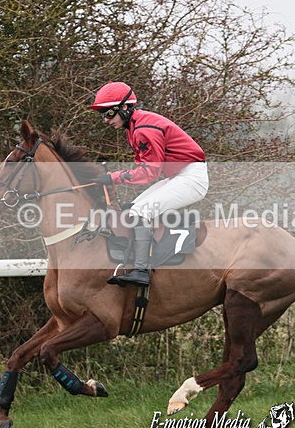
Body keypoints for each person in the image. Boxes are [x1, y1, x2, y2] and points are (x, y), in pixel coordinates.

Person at [89, 81, 209, 286]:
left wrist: (114, 178)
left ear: (125, 108)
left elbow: (149, 173)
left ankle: (142, 270)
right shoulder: (134, 126)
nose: (106, 120)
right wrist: (115, 180)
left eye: (109, 114)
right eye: (103, 115)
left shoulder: (143, 129)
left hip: (191, 178)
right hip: (180, 175)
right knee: (133, 208)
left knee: (141, 212)